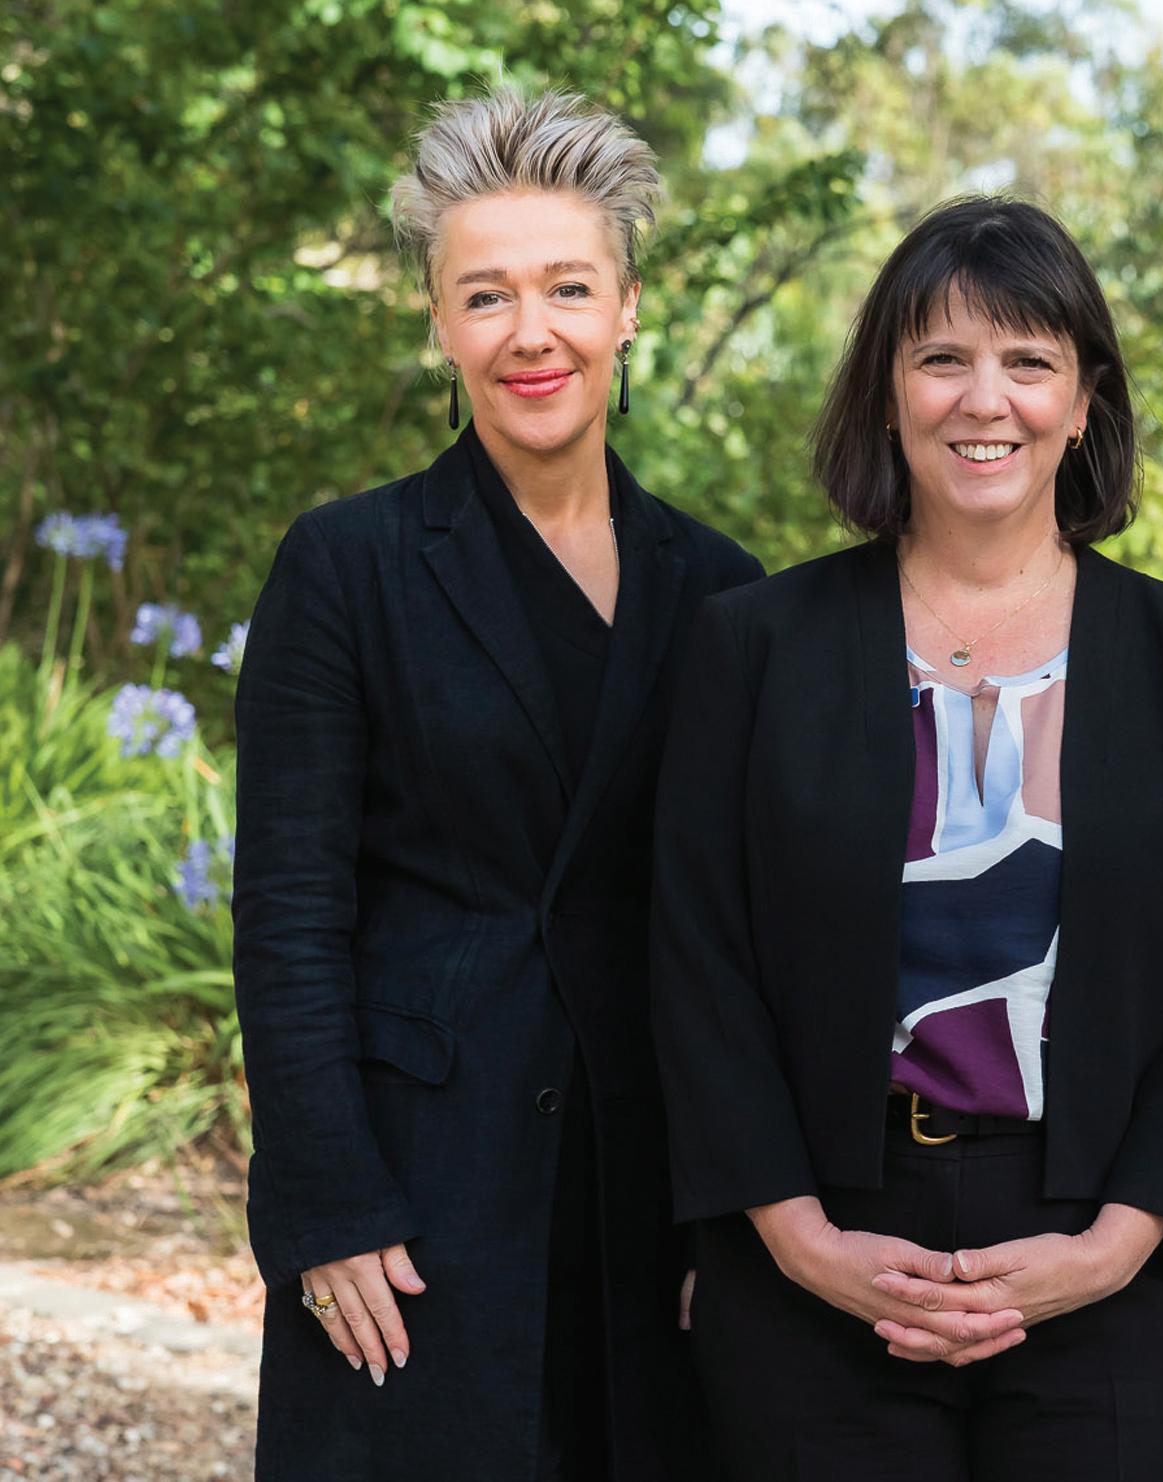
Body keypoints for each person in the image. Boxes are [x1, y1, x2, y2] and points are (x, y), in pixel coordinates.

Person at [649, 196, 1163, 1481]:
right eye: (942, 358)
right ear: (887, 394)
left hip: (1117, 1263)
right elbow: (696, 958)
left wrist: (1111, 1246)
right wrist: (799, 1240)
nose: (983, 400)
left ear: (1085, 400)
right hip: (823, 1251)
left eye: (1028, 361)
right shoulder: (753, 647)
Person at [232, 88, 762, 1481]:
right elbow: (288, 917)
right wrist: (327, 1203)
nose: (532, 331)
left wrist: (737, 1219)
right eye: (486, 295)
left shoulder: (721, 592)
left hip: (648, 1207)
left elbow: (735, 938)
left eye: (568, 287)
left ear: (629, 307)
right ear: (439, 322)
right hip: (415, 1204)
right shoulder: (345, 567)